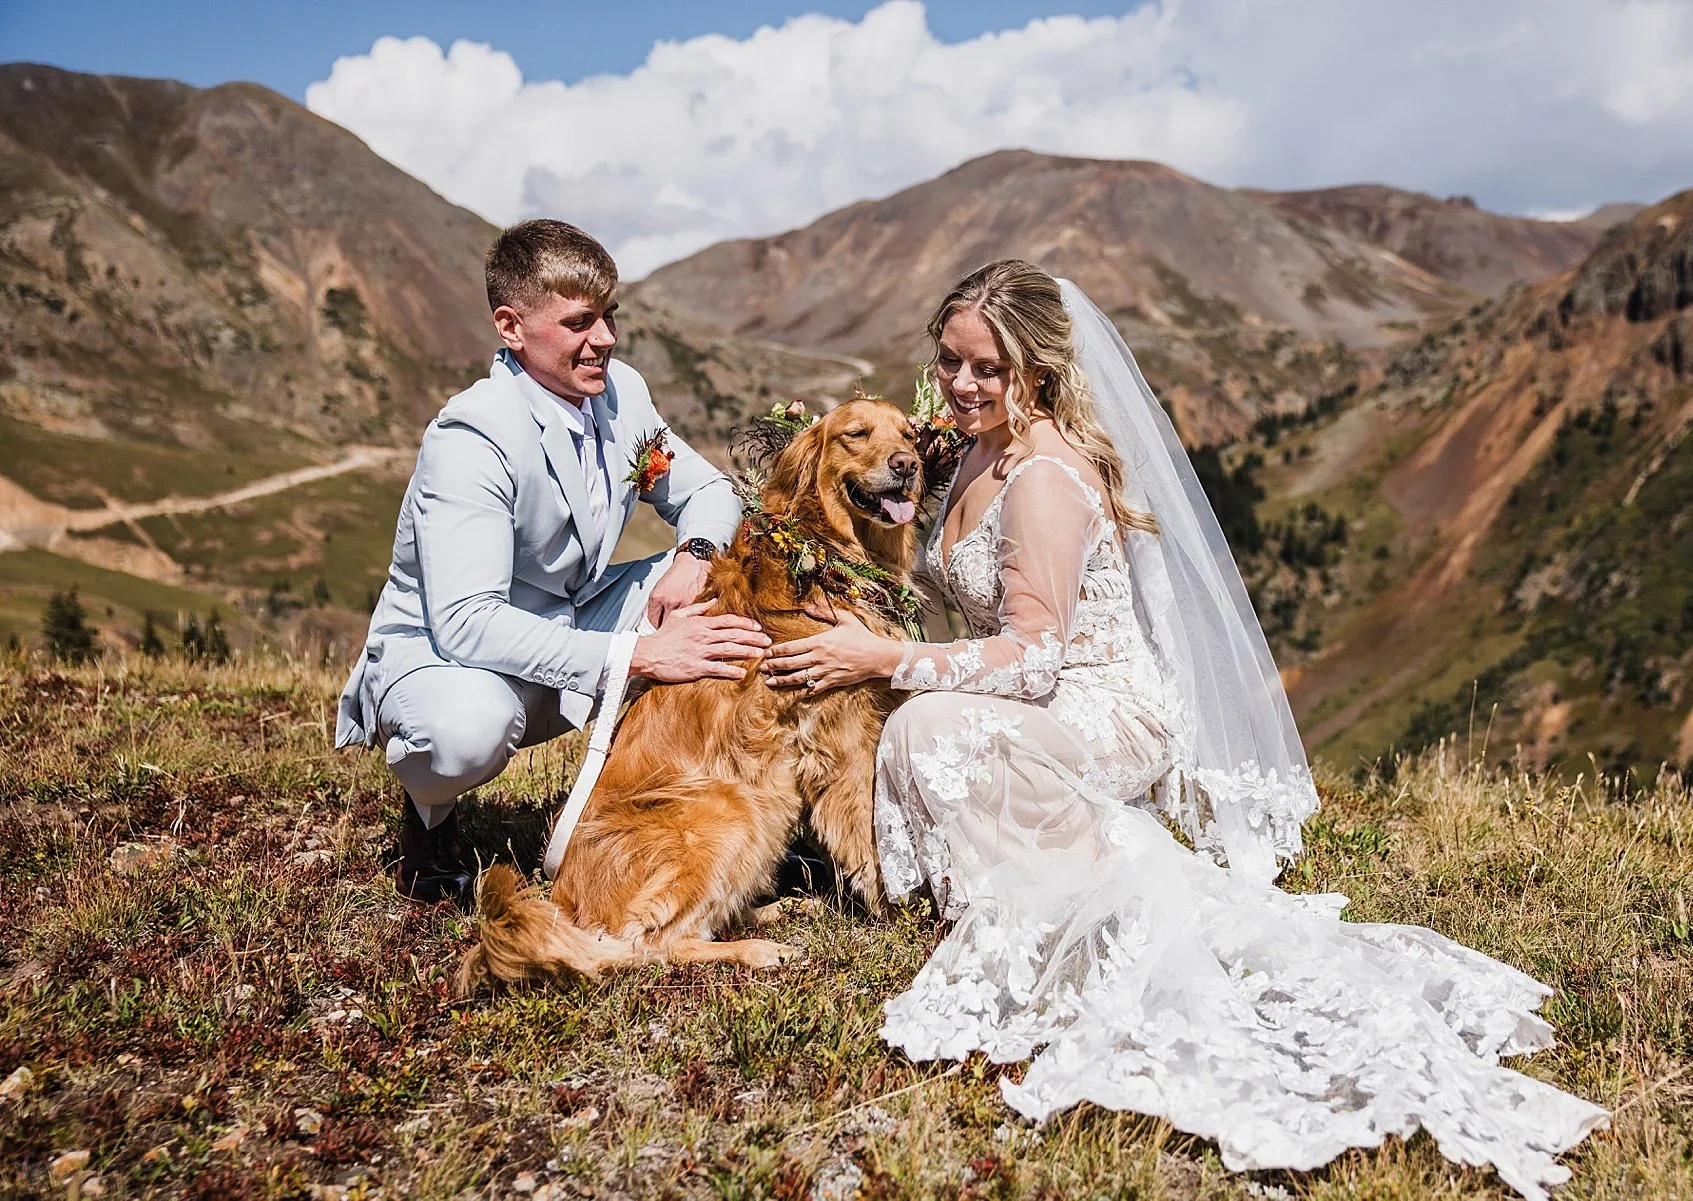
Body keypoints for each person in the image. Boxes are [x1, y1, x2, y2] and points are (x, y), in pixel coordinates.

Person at [763, 260, 1606, 1199]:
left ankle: (1053, 900)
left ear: (1036, 371)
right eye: (949, 364)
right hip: (1032, 688)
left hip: (1097, 700)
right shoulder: (968, 443)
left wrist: (880, 660)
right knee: (925, 720)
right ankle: (1017, 880)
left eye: (986, 370)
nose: (961, 387)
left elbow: (1037, 658)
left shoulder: (1040, 473)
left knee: (925, 728)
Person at [336, 219, 768, 905]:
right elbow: (468, 624)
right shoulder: (472, 435)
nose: (604, 340)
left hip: (572, 617)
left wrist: (696, 553)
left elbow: (709, 490)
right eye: (579, 323)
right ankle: (429, 820)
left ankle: (681, 798)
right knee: (467, 734)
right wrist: (640, 656)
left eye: (609, 317)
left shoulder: (620, 390)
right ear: (512, 327)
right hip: (449, 658)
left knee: (725, 593)